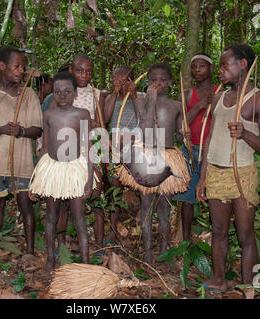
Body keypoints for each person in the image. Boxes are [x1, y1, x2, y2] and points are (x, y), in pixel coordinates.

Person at [196, 44, 260, 290]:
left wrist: (245, 135)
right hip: (216, 172)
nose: (219, 71)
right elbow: (209, 138)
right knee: (218, 231)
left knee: (245, 235)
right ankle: (219, 280)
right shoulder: (219, 98)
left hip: (242, 173)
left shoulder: (259, 101)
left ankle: (247, 287)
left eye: (224, 65)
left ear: (242, 64)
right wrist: (202, 178)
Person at [117, 63, 190, 265]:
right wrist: (151, 100)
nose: (159, 84)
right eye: (153, 80)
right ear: (148, 82)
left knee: (164, 210)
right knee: (147, 207)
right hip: (147, 157)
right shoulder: (140, 102)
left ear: (170, 82)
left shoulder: (176, 105)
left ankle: (164, 252)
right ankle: (148, 252)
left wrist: (185, 137)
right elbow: (145, 128)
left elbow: (179, 135)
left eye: (163, 80)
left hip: (167, 158)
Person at [0, 46, 43, 255]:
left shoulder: (29, 94)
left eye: (23, 66)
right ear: (2, 66)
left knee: (26, 205)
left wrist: (21, 131)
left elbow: (37, 129)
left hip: (22, 163)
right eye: (17, 66)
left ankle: (30, 251)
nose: (21, 71)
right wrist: (2, 130)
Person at [28, 71, 95, 272]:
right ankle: (50, 258)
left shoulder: (83, 114)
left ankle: (85, 262)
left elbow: (88, 147)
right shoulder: (48, 115)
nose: (62, 95)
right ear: (52, 93)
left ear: (75, 93)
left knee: (79, 218)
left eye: (67, 91)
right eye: (57, 91)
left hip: (75, 169)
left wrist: (89, 179)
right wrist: (35, 180)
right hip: (53, 169)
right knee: (50, 216)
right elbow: (45, 147)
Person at [54, 54, 106, 251]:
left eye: (89, 71)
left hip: (92, 148)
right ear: (70, 70)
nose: (84, 75)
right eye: (79, 70)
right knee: (65, 198)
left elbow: (100, 123)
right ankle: (61, 245)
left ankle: (99, 245)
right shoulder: (62, 92)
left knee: (94, 195)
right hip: (68, 148)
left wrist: (94, 125)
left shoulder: (96, 94)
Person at [173, 53, 217, 240]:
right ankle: (186, 241)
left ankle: (217, 237)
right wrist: (199, 106)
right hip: (190, 149)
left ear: (211, 68)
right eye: (194, 67)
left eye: (202, 66)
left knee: (214, 196)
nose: (197, 70)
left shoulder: (219, 92)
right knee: (187, 197)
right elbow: (181, 123)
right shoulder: (188, 94)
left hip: (213, 152)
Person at [102, 66, 140, 244]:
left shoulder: (139, 98)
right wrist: (115, 93)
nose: (114, 81)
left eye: (119, 79)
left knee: (141, 187)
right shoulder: (111, 98)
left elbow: (144, 119)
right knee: (114, 187)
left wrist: (133, 95)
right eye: (113, 78)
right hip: (115, 150)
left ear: (130, 80)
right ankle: (113, 229)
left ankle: (141, 227)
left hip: (135, 150)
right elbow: (106, 119)